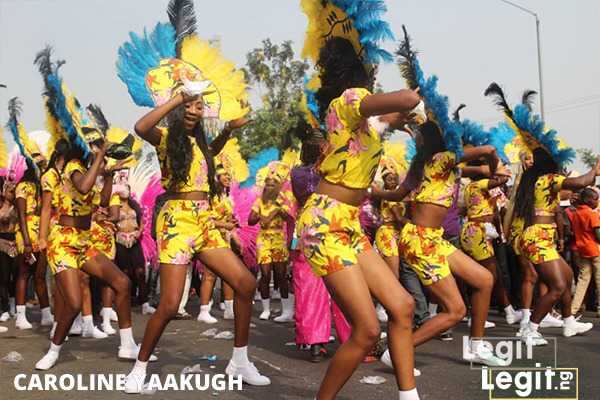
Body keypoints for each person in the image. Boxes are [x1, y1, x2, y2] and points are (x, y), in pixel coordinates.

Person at [295, 35, 422, 398]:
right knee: (366, 330)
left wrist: (407, 117)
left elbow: (394, 113)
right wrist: (416, 94)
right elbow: (406, 99)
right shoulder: (349, 100)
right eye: (370, 69)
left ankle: (409, 396)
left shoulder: (358, 120)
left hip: (348, 222)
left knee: (403, 306)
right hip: (325, 223)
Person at [126, 90, 270, 392]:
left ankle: (239, 362)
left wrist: (229, 129)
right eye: (189, 104)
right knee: (168, 305)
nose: (194, 109)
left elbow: (211, 154)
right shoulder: (164, 137)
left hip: (205, 221)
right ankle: (140, 367)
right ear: (179, 108)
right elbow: (140, 128)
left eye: (198, 105)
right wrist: (177, 99)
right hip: (177, 221)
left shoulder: (200, 143)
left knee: (245, 283)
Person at [376, 121, 509, 367]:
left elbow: (396, 195)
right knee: (455, 310)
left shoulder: (433, 164)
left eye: (418, 138)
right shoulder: (442, 158)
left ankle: (476, 348)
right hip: (420, 240)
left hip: (433, 238)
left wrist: (375, 194)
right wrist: (495, 165)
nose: (416, 142)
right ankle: (396, 352)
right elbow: (489, 150)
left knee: (484, 280)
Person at [35, 139, 144, 370]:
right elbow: (83, 187)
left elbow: (102, 202)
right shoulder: (74, 166)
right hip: (63, 241)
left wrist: (110, 175)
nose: (98, 149)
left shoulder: (88, 171)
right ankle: (54, 350)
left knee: (122, 283)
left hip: (85, 241)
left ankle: (127, 345)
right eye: (95, 145)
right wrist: (41, 238)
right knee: (73, 303)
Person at [515, 150, 599, 344]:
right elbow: (580, 183)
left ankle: (568, 322)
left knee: (568, 275)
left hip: (540, 237)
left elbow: (573, 188)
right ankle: (530, 329)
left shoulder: (539, 180)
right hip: (537, 239)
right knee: (558, 286)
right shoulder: (548, 179)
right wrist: (594, 169)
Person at [460, 162, 523, 325]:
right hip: (478, 233)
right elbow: (503, 179)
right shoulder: (480, 184)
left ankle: (508, 311)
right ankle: (477, 316)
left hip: (475, 231)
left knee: (491, 275)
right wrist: (502, 170)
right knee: (489, 276)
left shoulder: (470, 186)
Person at [248, 170, 292, 321]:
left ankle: (286, 311)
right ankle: (266, 309)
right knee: (265, 275)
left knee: (281, 275)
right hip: (263, 239)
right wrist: (261, 215)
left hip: (278, 238)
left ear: (278, 186)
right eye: (267, 185)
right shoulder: (259, 201)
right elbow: (251, 220)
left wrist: (274, 212)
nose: (270, 188)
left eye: (273, 185)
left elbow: (287, 215)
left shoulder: (283, 199)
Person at [197, 167, 238, 323]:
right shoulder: (209, 196)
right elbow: (206, 219)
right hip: (211, 236)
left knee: (228, 274)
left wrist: (231, 222)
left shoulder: (225, 196)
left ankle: (229, 309)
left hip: (224, 237)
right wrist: (225, 225)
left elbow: (225, 218)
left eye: (229, 174)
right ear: (216, 177)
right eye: (224, 174)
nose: (228, 177)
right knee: (210, 274)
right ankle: (204, 310)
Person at [114, 184, 152, 316]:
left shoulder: (134, 204)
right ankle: (126, 301)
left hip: (135, 241)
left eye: (127, 189)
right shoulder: (114, 205)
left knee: (140, 271)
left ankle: (144, 303)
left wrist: (139, 232)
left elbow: (142, 221)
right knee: (124, 272)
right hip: (120, 241)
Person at [569, 187, 600, 317]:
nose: (597, 201)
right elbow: (598, 233)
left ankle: (572, 309)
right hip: (595, 249)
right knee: (599, 280)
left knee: (582, 280)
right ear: (588, 200)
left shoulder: (576, 213)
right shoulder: (591, 214)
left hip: (582, 249)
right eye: (595, 199)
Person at [0, 176, 18, 328]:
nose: (13, 194)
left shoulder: (18, 208)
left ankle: (13, 305)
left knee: (16, 274)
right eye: (10, 191)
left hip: (14, 241)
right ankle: (5, 308)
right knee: (4, 276)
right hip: (1, 243)